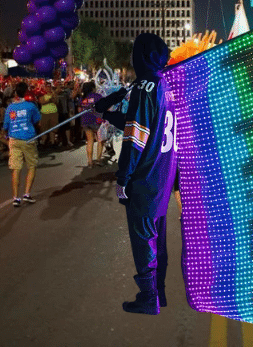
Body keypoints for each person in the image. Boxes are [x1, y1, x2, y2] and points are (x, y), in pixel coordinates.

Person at [95, 33, 178, 315]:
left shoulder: (144, 86)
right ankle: (159, 293)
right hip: (163, 176)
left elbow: (135, 137)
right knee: (158, 239)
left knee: (144, 240)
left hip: (145, 177)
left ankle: (148, 296)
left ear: (141, 55)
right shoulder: (165, 84)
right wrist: (107, 112)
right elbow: (141, 120)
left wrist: (123, 178)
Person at [2, 81, 41, 207]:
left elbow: (6, 126)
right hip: (28, 138)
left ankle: (15, 197)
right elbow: (37, 121)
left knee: (16, 168)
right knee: (32, 165)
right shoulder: (30, 106)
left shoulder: (10, 107)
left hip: (13, 139)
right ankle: (27, 194)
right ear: (27, 91)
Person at [80, 81, 104, 167]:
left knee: (89, 140)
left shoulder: (83, 98)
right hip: (96, 121)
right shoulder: (98, 96)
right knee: (100, 140)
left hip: (85, 120)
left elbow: (80, 110)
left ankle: (90, 162)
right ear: (92, 88)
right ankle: (98, 160)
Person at [38, 81, 58, 147]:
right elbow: (42, 102)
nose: (48, 89)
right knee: (44, 129)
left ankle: (52, 142)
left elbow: (56, 101)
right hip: (44, 113)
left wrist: (53, 95)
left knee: (53, 129)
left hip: (53, 112)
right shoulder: (42, 94)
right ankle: (43, 142)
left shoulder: (53, 94)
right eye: (47, 87)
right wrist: (49, 99)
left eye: (49, 87)